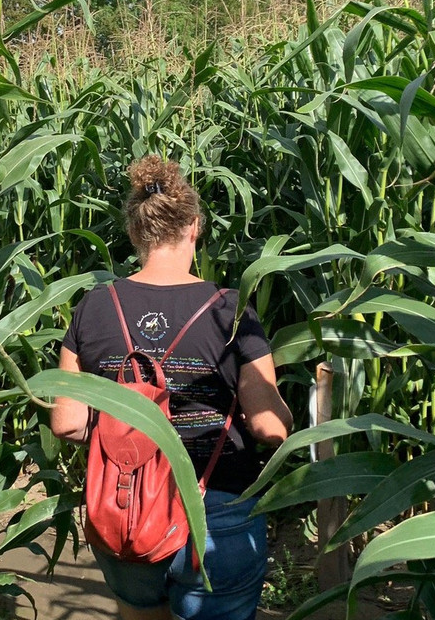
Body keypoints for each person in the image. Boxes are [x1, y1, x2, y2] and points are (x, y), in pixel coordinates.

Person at [51, 154, 294, 620]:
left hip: (126, 510)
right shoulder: (230, 309)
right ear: (194, 227)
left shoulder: (94, 307)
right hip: (216, 515)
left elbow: (66, 423)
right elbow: (269, 428)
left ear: (134, 232)